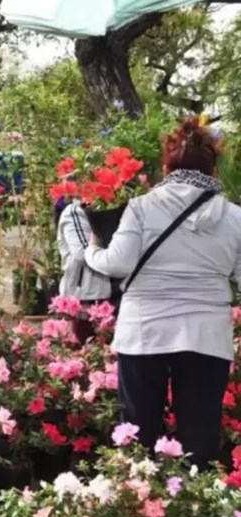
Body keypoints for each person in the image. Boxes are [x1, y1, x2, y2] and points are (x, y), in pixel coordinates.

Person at [84, 117, 241, 469]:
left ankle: (140, 504)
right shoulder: (235, 217)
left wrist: (91, 249)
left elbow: (119, 263)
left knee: (137, 427)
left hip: (145, 330)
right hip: (206, 332)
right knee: (200, 428)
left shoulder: (141, 207)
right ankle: (197, 503)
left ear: (167, 165)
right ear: (213, 169)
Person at [57, 198, 112, 343]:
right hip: (85, 295)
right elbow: (82, 253)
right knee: (83, 350)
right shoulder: (75, 211)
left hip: (106, 293)